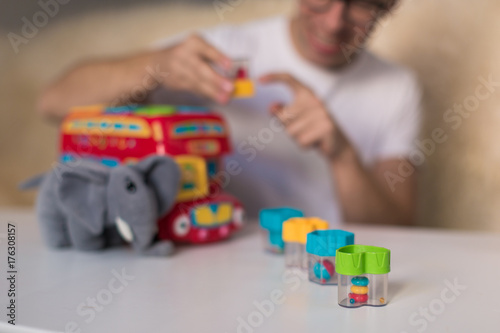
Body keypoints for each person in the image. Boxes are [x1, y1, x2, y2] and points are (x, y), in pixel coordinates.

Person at [37, 0, 420, 226]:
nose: (334, 21)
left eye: (362, 3)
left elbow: (397, 229)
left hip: (318, 269)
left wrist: (342, 155)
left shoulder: (396, 87)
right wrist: (156, 66)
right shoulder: (226, 47)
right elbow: (54, 102)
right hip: (210, 253)